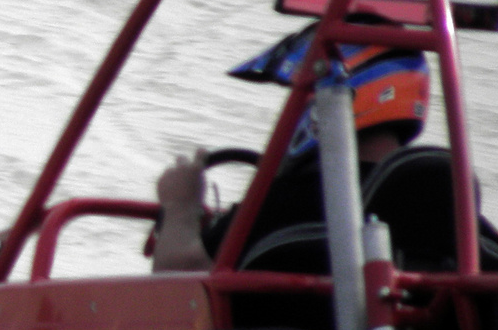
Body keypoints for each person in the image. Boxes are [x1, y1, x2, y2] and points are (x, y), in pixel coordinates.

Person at [152, 22, 430, 273]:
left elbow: (177, 285)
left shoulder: (293, 201)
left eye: (303, 95)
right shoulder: (447, 205)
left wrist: (180, 207)